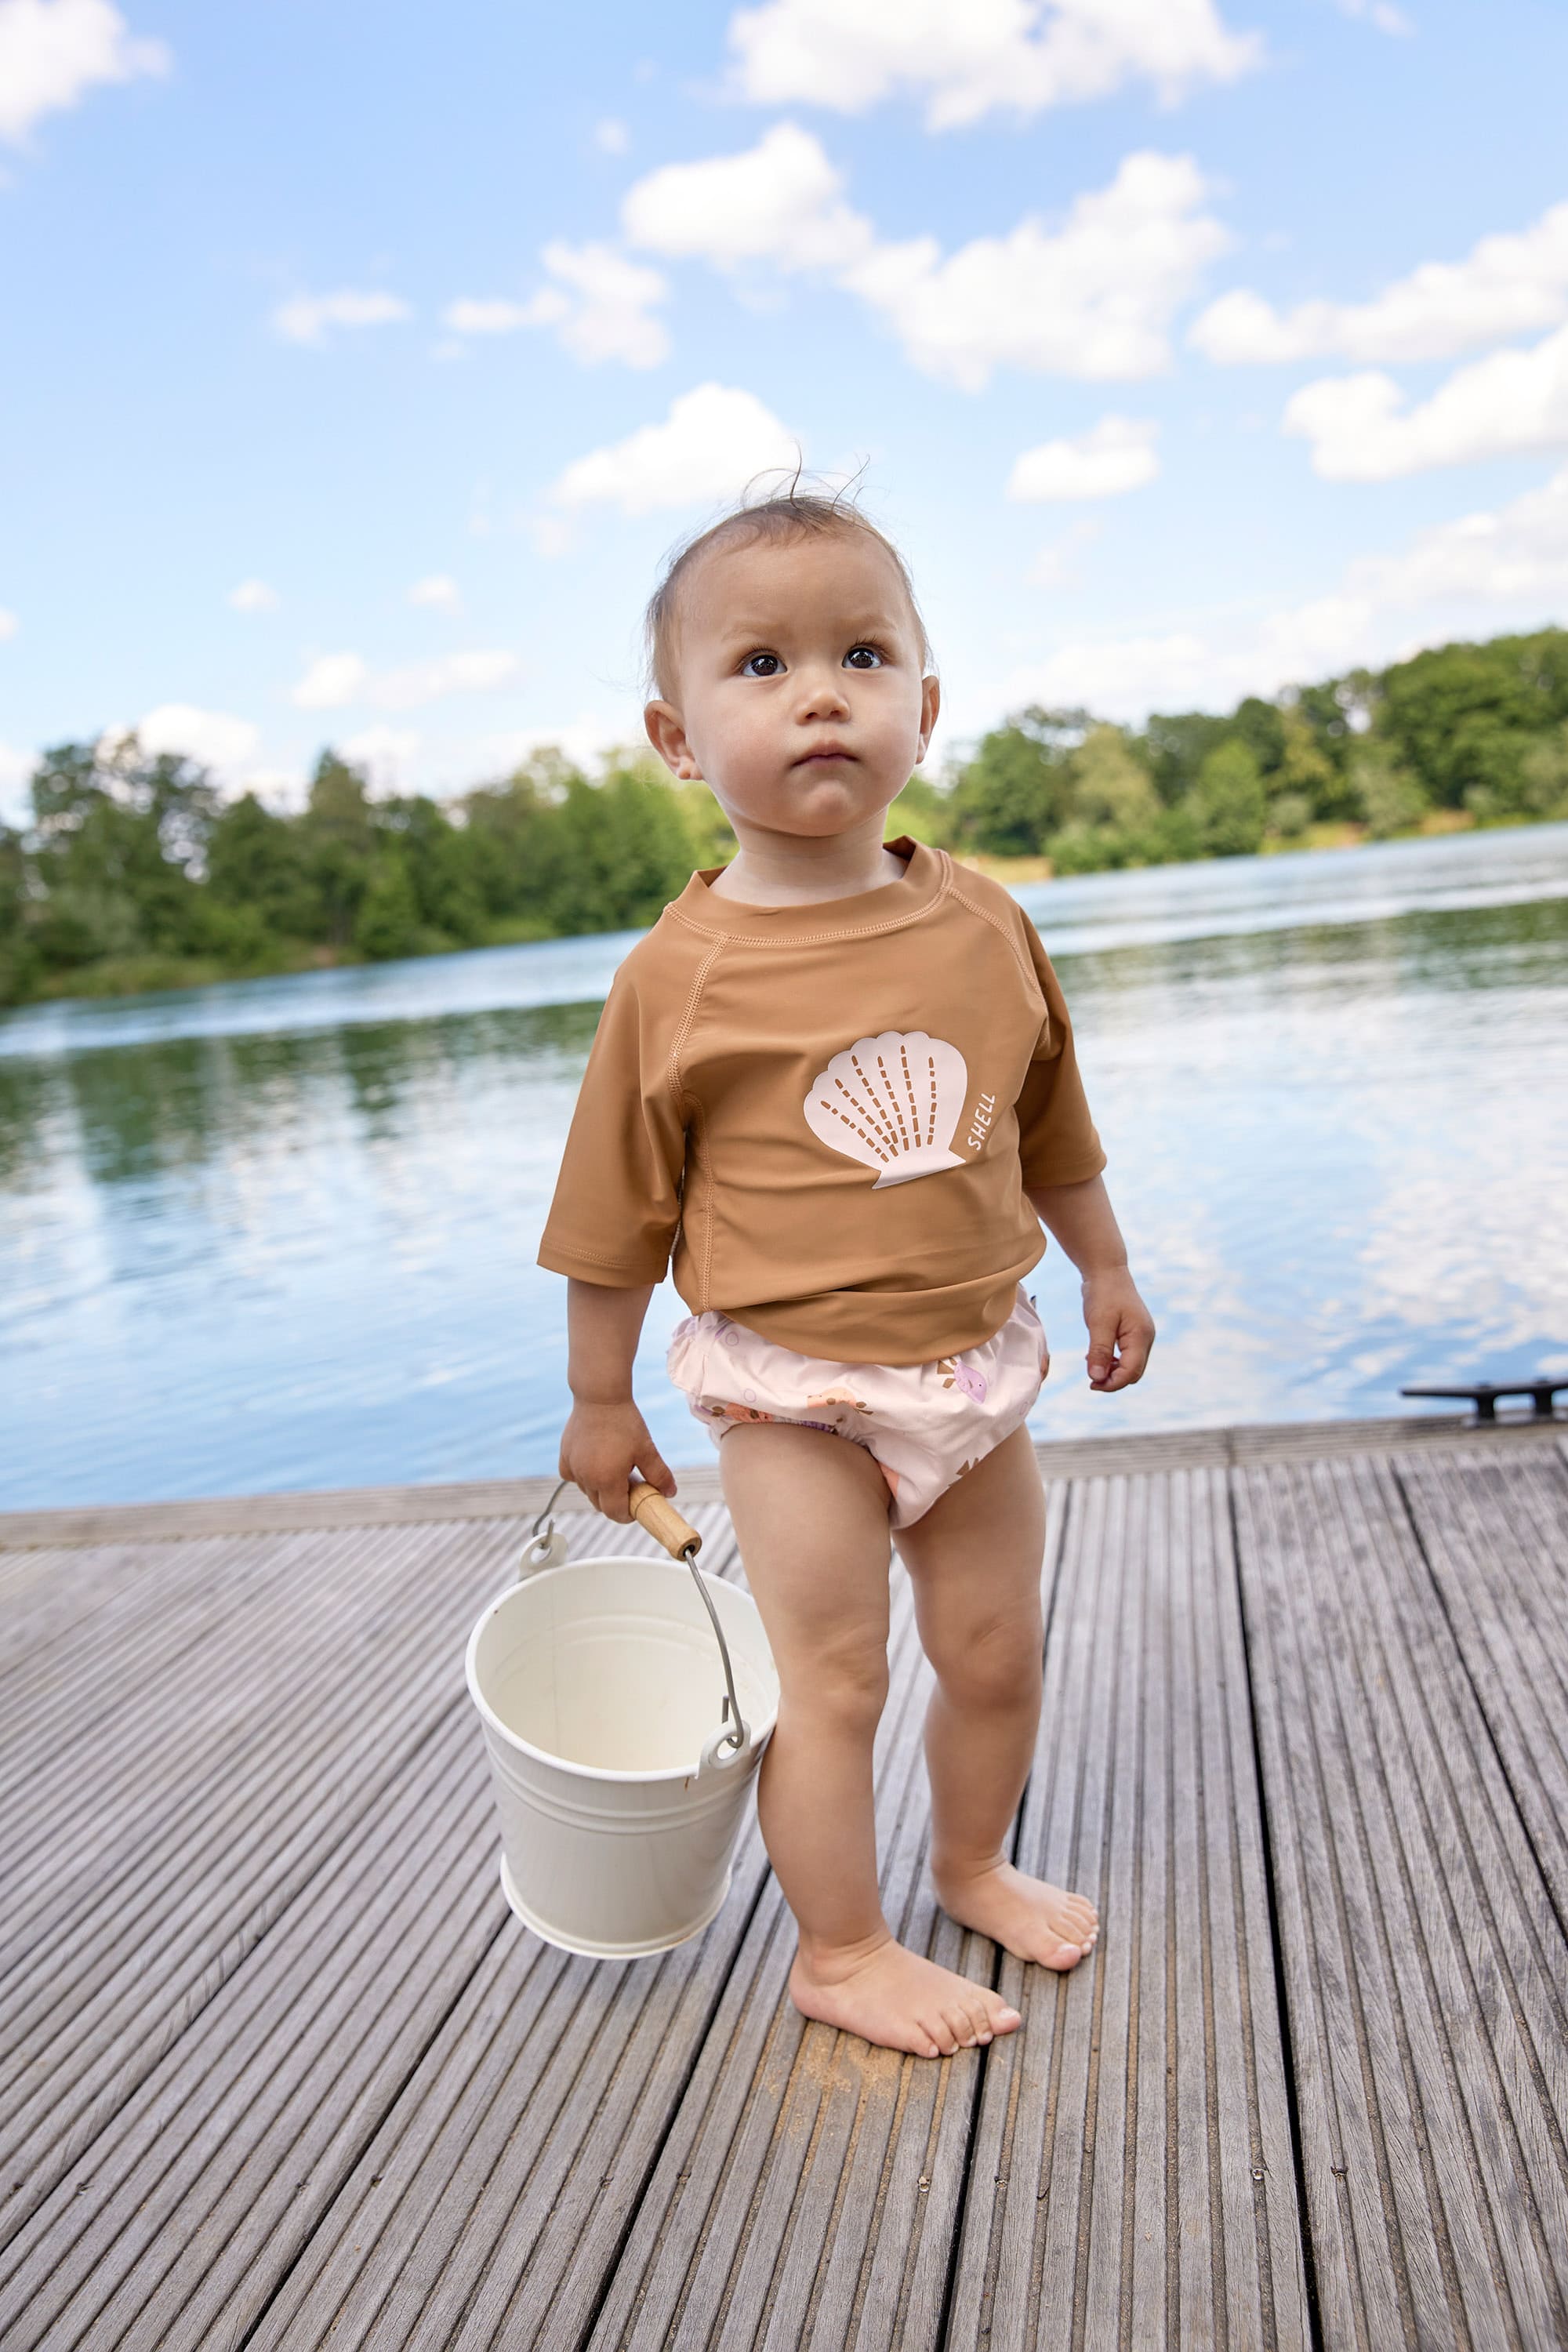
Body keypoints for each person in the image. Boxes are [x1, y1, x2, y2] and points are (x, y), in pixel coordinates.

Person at [538, 486, 1156, 2060]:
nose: (819, 691)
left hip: (970, 1365)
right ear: (678, 740)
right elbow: (611, 1215)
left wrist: (1103, 1270)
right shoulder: (674, 979)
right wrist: (598, 1400)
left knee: (996, 1651)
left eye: (862, 653)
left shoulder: (983, 920)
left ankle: (966, 1864)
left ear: (923, 710)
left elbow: (1051, 1120)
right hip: (791, 1391)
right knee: (832, 1677)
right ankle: (840, 1947)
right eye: (759, 665)